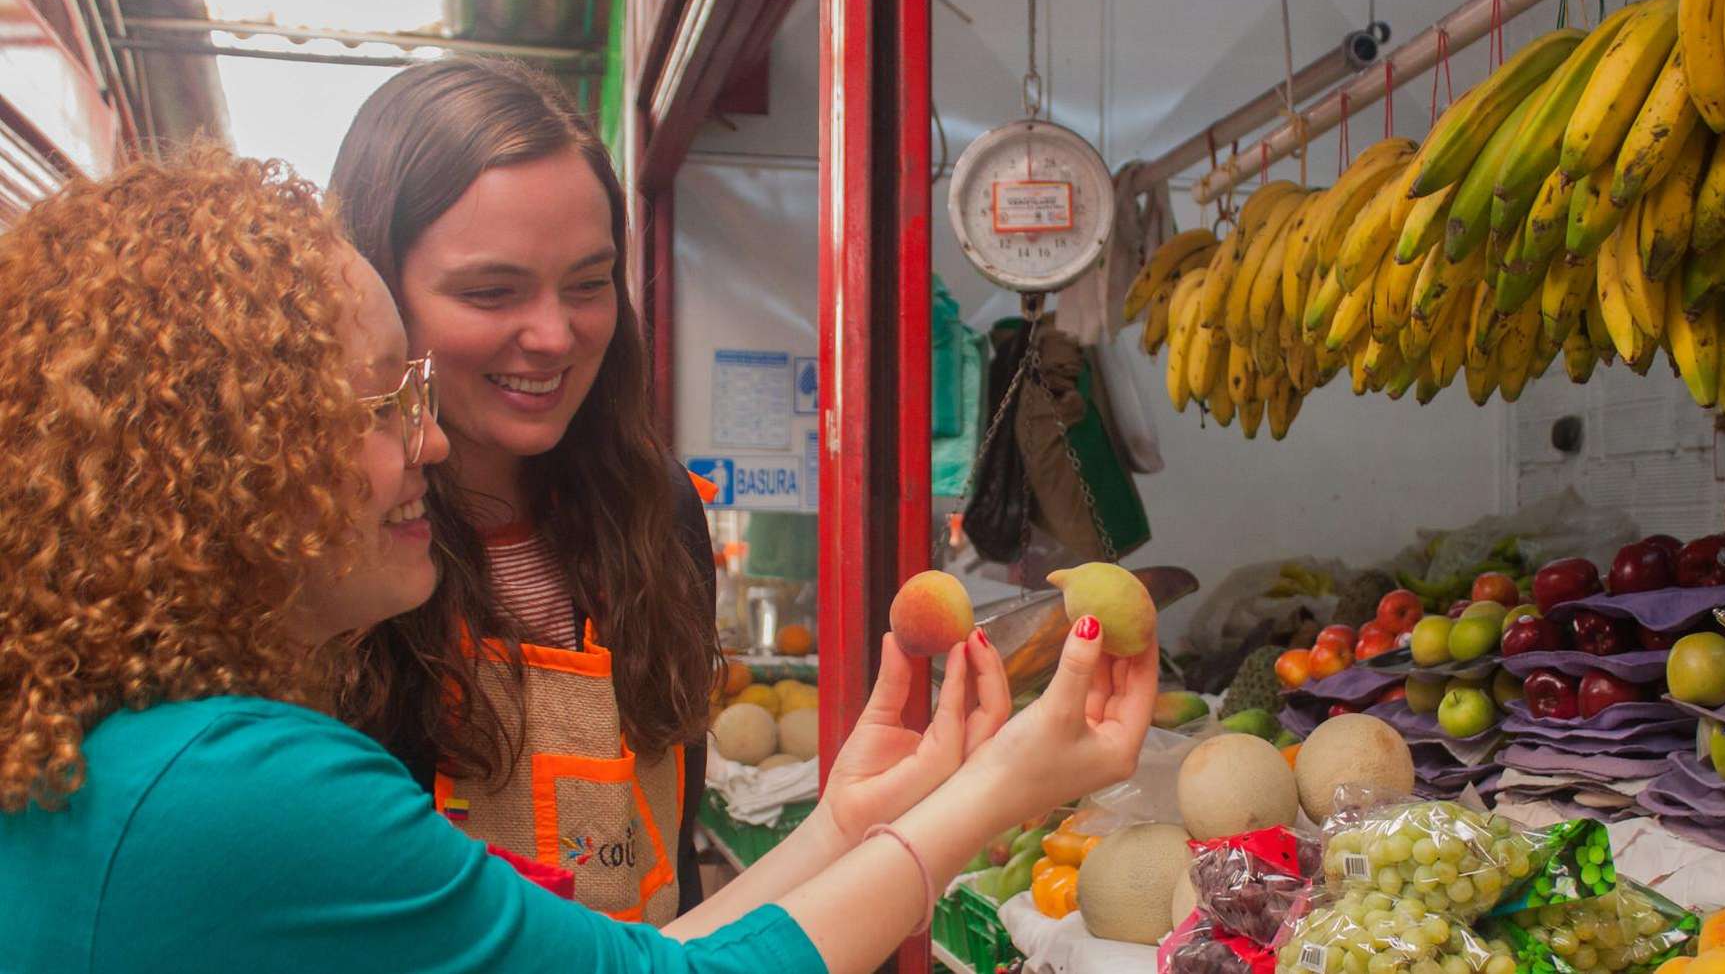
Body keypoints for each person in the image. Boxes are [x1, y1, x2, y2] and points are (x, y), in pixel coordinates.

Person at [0, 147, 1157, 973]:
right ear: (224, 453)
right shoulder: (243, 790)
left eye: (589, 282)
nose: (434, 441)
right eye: (381, 400)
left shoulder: (130, 746)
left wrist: (845, 822)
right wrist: (996, 787)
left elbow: (613, 959)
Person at [326, 56, 728, 921]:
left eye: (590, 285)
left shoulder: (658, 510)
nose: (554, 335)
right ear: (375, 290)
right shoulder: (331, 549)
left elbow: (679, 850)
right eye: (491, 291)